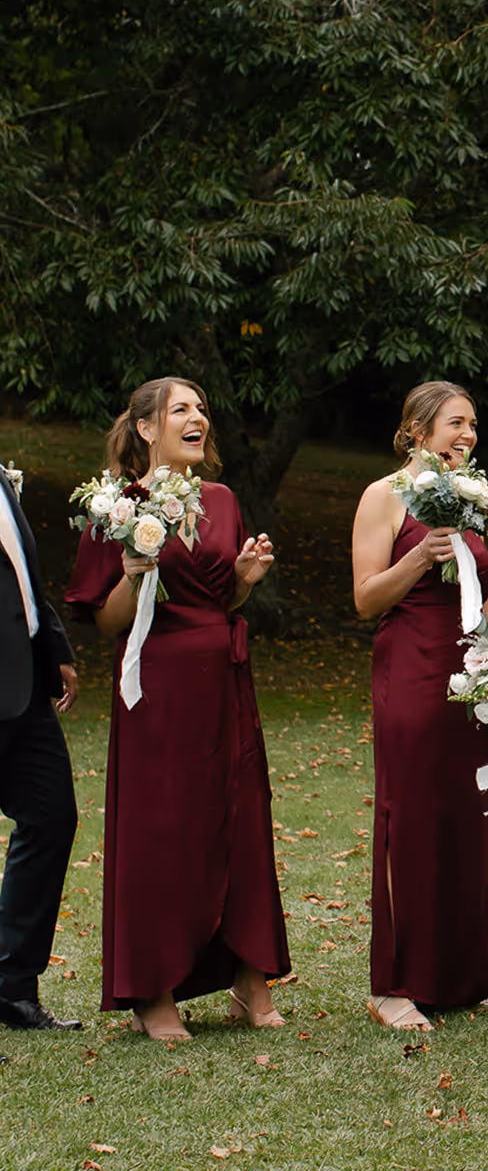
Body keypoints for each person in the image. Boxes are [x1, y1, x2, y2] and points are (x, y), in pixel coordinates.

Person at [64, 378, 287, 1040]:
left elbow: (221, 601)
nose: (198, 418)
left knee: (238, 821)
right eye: (181, 409)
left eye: (202, 408)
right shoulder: (116, 507)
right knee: (162, 830)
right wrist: (133, 572)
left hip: (224, 682)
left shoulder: (222, 500)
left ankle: (250, 982)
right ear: (145, 428)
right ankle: (153, 990)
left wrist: (242, 582)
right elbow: (106, 621)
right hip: (156, 687)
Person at [351, 381, 488, 1031]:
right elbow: (365, 598)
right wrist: (417, 556)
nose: (467, 435)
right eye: (455, 424)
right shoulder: (384, 495)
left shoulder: (472, 496)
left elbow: (480, 589)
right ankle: (395, 985)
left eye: (473, 425)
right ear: (418, 431)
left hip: (471, 678)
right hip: (412, 670)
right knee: (411, 817)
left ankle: (461, 976)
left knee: (464, 818)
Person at [0, 456, 81, 1039]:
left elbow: (22, 576)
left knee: (52, 817)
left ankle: (12, 987)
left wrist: (55, 647)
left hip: (22, 686)